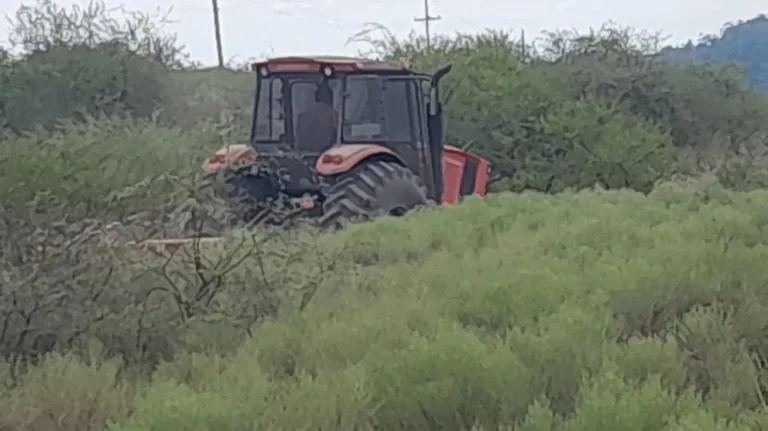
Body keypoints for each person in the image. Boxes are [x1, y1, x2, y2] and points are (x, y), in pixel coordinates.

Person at [295, 81, 338, 151]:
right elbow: (342, 133)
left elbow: (299, 138)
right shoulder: (333, 114)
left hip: (304, 153)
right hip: (327, 152)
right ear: (330, 98)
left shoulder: (302, 116)